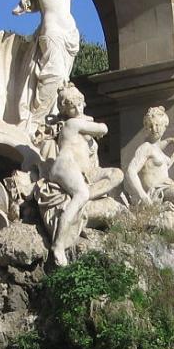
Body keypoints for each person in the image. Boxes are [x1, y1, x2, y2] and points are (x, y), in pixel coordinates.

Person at [15, 0, 90, 128]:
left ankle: (56, 119)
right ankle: (38, 123)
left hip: (69, 39)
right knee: (53, 77)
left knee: (63, 81)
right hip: (54, 36)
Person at [47, 84, 123, 265]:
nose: (78, 108)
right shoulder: (73, 123)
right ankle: (58, 245)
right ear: (66, 110)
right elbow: (103, 129)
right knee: (81, 195)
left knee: (116, 174)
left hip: (84, 171)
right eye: (72, 106)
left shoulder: (80, 123)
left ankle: (88, 195)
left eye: (80, 103)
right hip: (65, 166)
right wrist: (87, 120)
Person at [124, 106, 174, 217]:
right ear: (146, 129)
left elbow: (164, 159)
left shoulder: (158, 151)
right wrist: (143, 196)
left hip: (167, 187)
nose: (154, 129)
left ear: (164, 126)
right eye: (150, 126)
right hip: (157, 191)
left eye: (157, 125)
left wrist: (171, 141)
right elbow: (131, 171)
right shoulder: (146, 147)